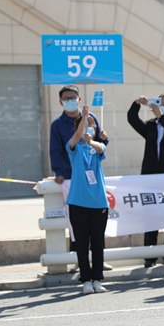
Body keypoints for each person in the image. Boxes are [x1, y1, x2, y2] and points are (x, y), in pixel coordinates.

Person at [49, 85, 112, 272]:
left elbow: (99, 143)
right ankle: (80, 259)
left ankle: (98, 261)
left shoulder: (91, 118)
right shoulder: (58, 125)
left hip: (92, 178)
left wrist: (103, 138)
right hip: (71, 178)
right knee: (76, 222)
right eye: (66, 98)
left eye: (73, 97)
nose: (70, 101)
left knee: (95, 224)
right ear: (61, 102)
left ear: (79, 99)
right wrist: (59, 172)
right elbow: (56, 150)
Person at [127, 94, 164, 268]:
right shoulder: (151, 125)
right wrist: (136, 104)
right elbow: (132, 119)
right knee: (151, 216)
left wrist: (161, 117)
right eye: (160, 103)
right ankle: (150, 256)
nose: (163, 107)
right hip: (151, 177)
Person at [66, 105, 109, 294]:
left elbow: (101, 148)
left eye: (91, 125)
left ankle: (97, 278)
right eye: (85, 125)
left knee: (98, 242)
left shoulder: (97, 146)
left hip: (98, 202)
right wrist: (83, 117)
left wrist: (92, 140)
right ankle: (85, 280)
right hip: (78, 202)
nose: (88, 128)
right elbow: (76, 137)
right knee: (82, 243)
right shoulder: (73, 147)